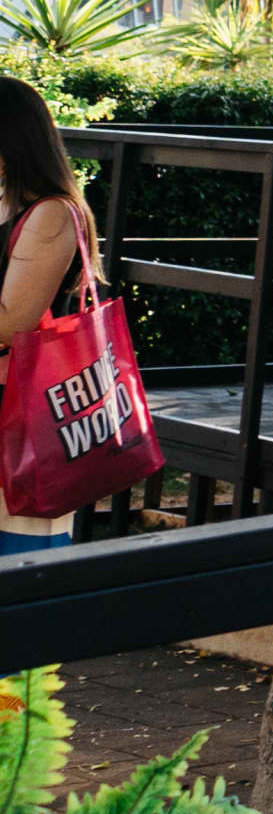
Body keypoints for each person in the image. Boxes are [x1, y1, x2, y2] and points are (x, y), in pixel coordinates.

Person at [0, 77, 97, 556]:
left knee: (19, 561)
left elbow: (9, 323)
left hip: (18, 413)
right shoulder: (7, 205)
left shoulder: (50, 213)